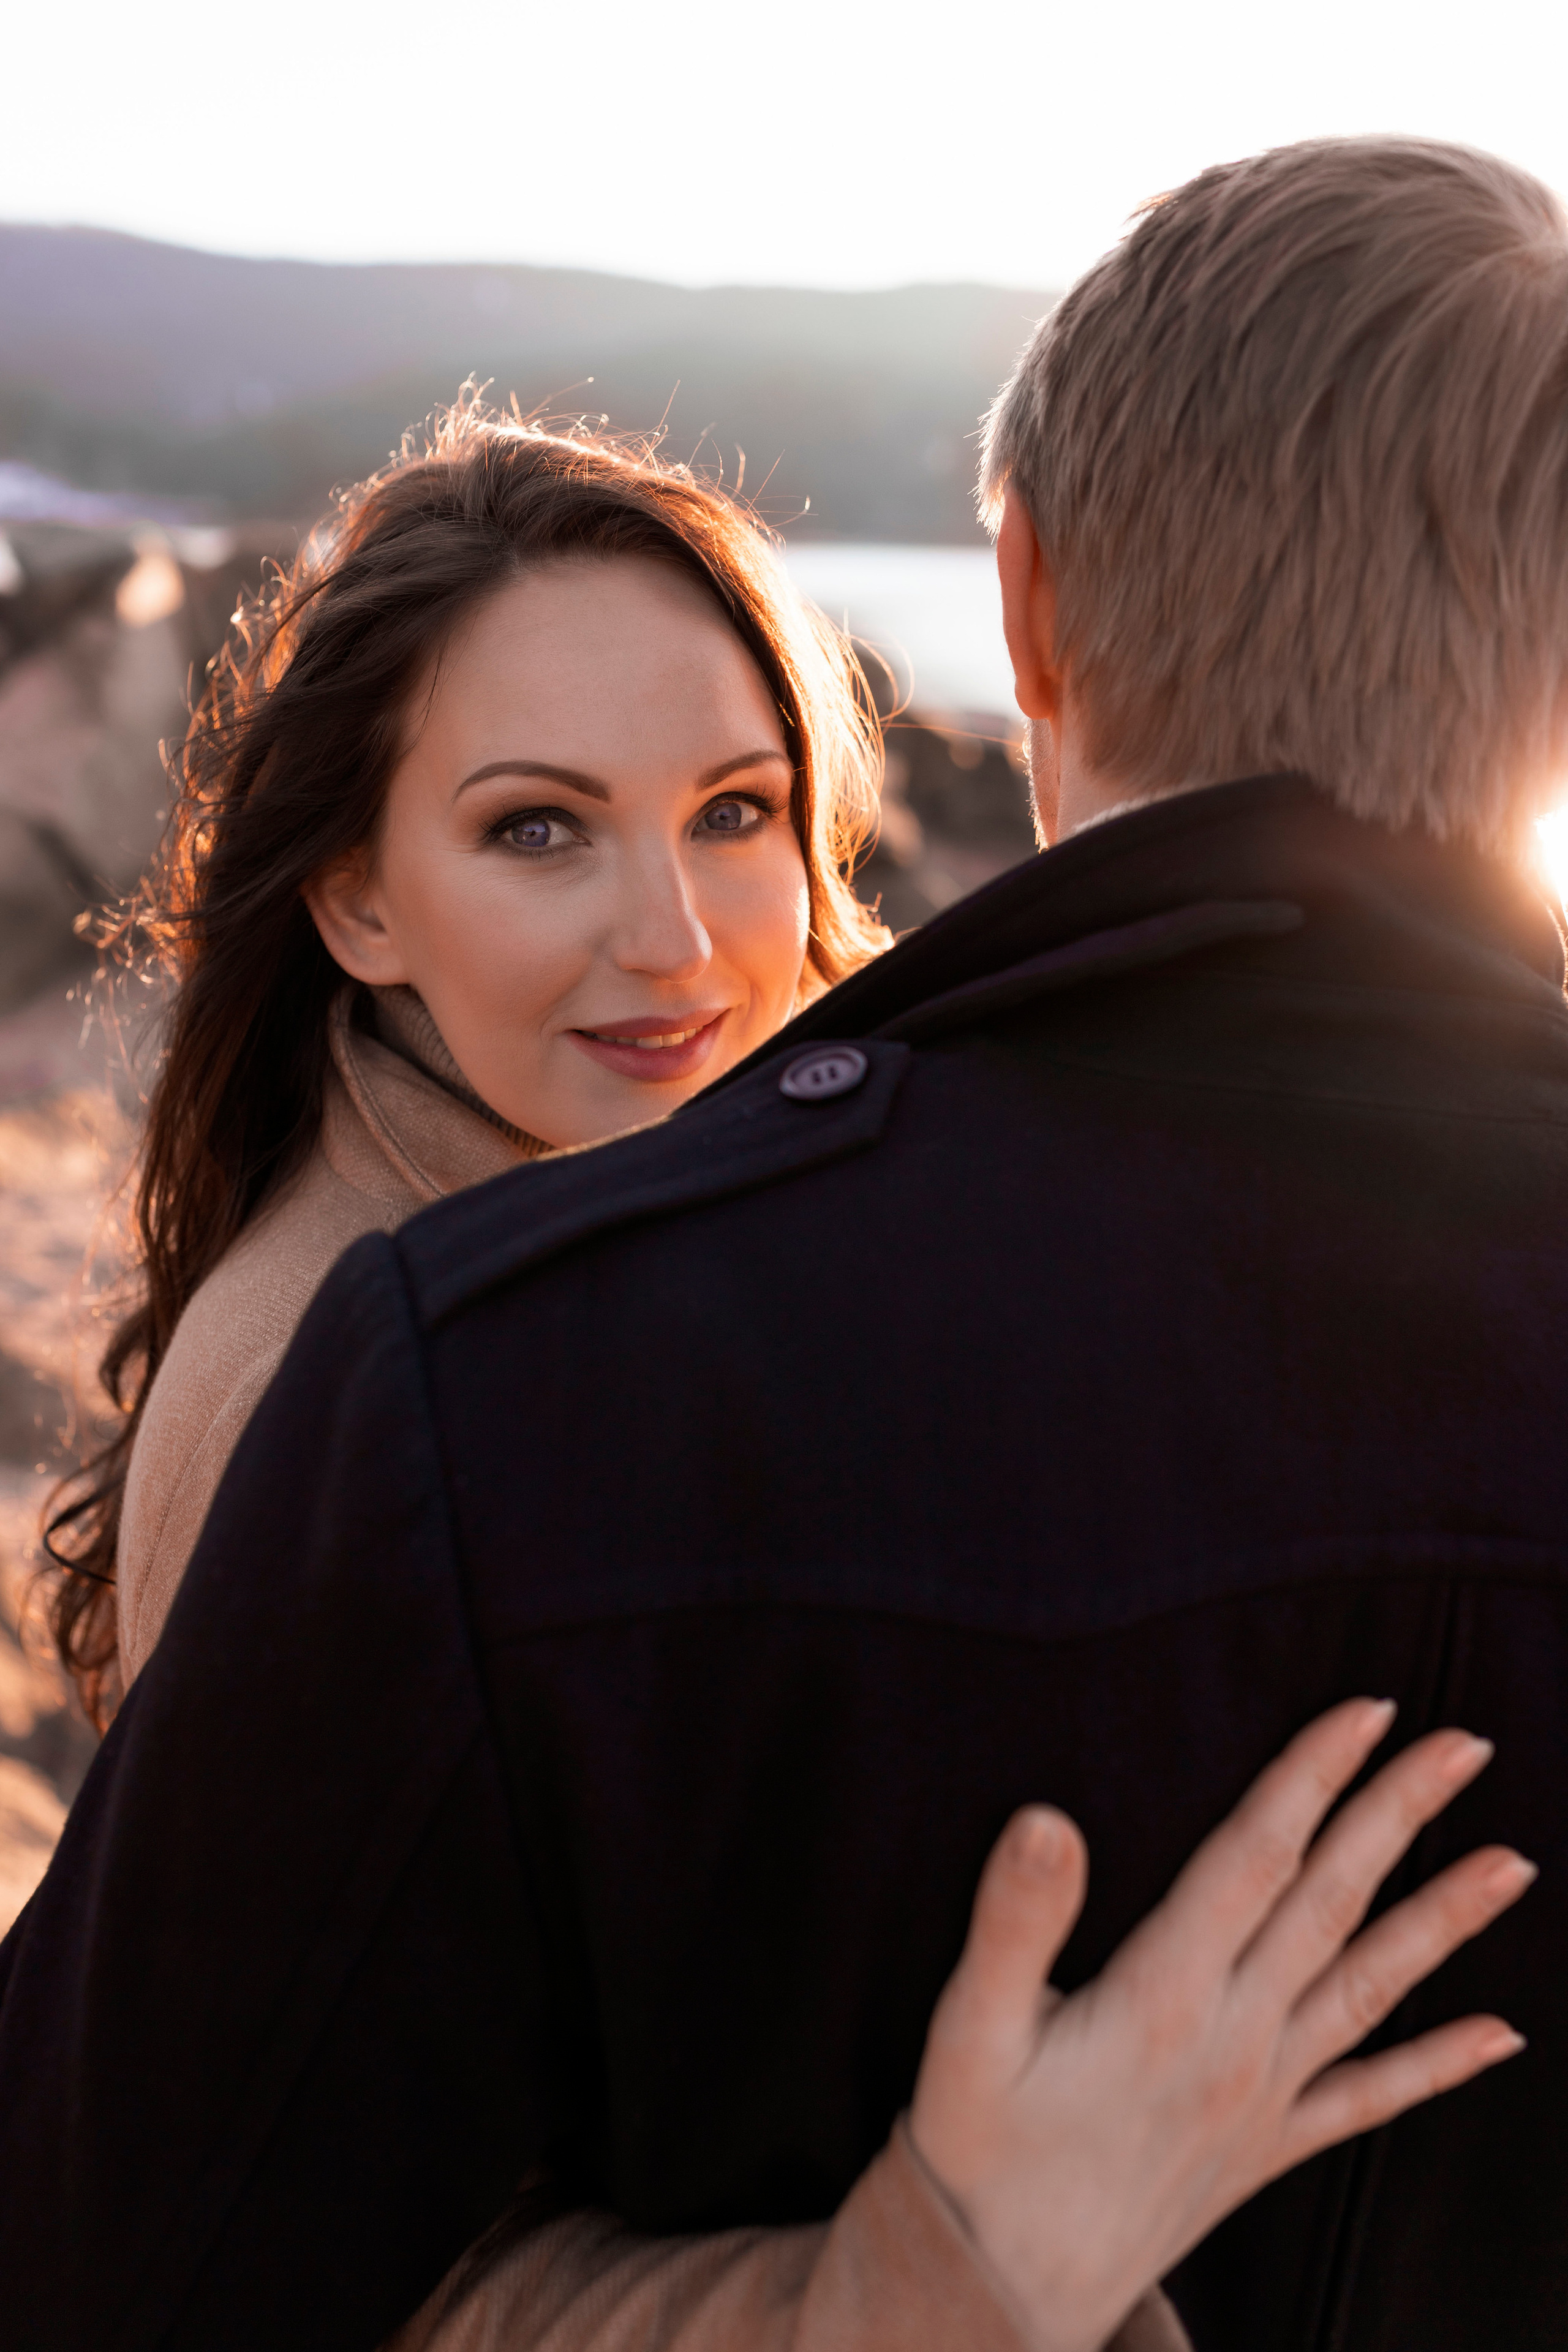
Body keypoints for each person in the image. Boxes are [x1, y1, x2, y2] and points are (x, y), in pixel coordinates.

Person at [4, 131, 1566, 2349]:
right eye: (536, 830)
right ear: (351, 897)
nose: (672, 936)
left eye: (737, 813)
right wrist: (930, 2282)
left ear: (1020, 606)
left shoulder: (608, 1352)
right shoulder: (389, 1377)